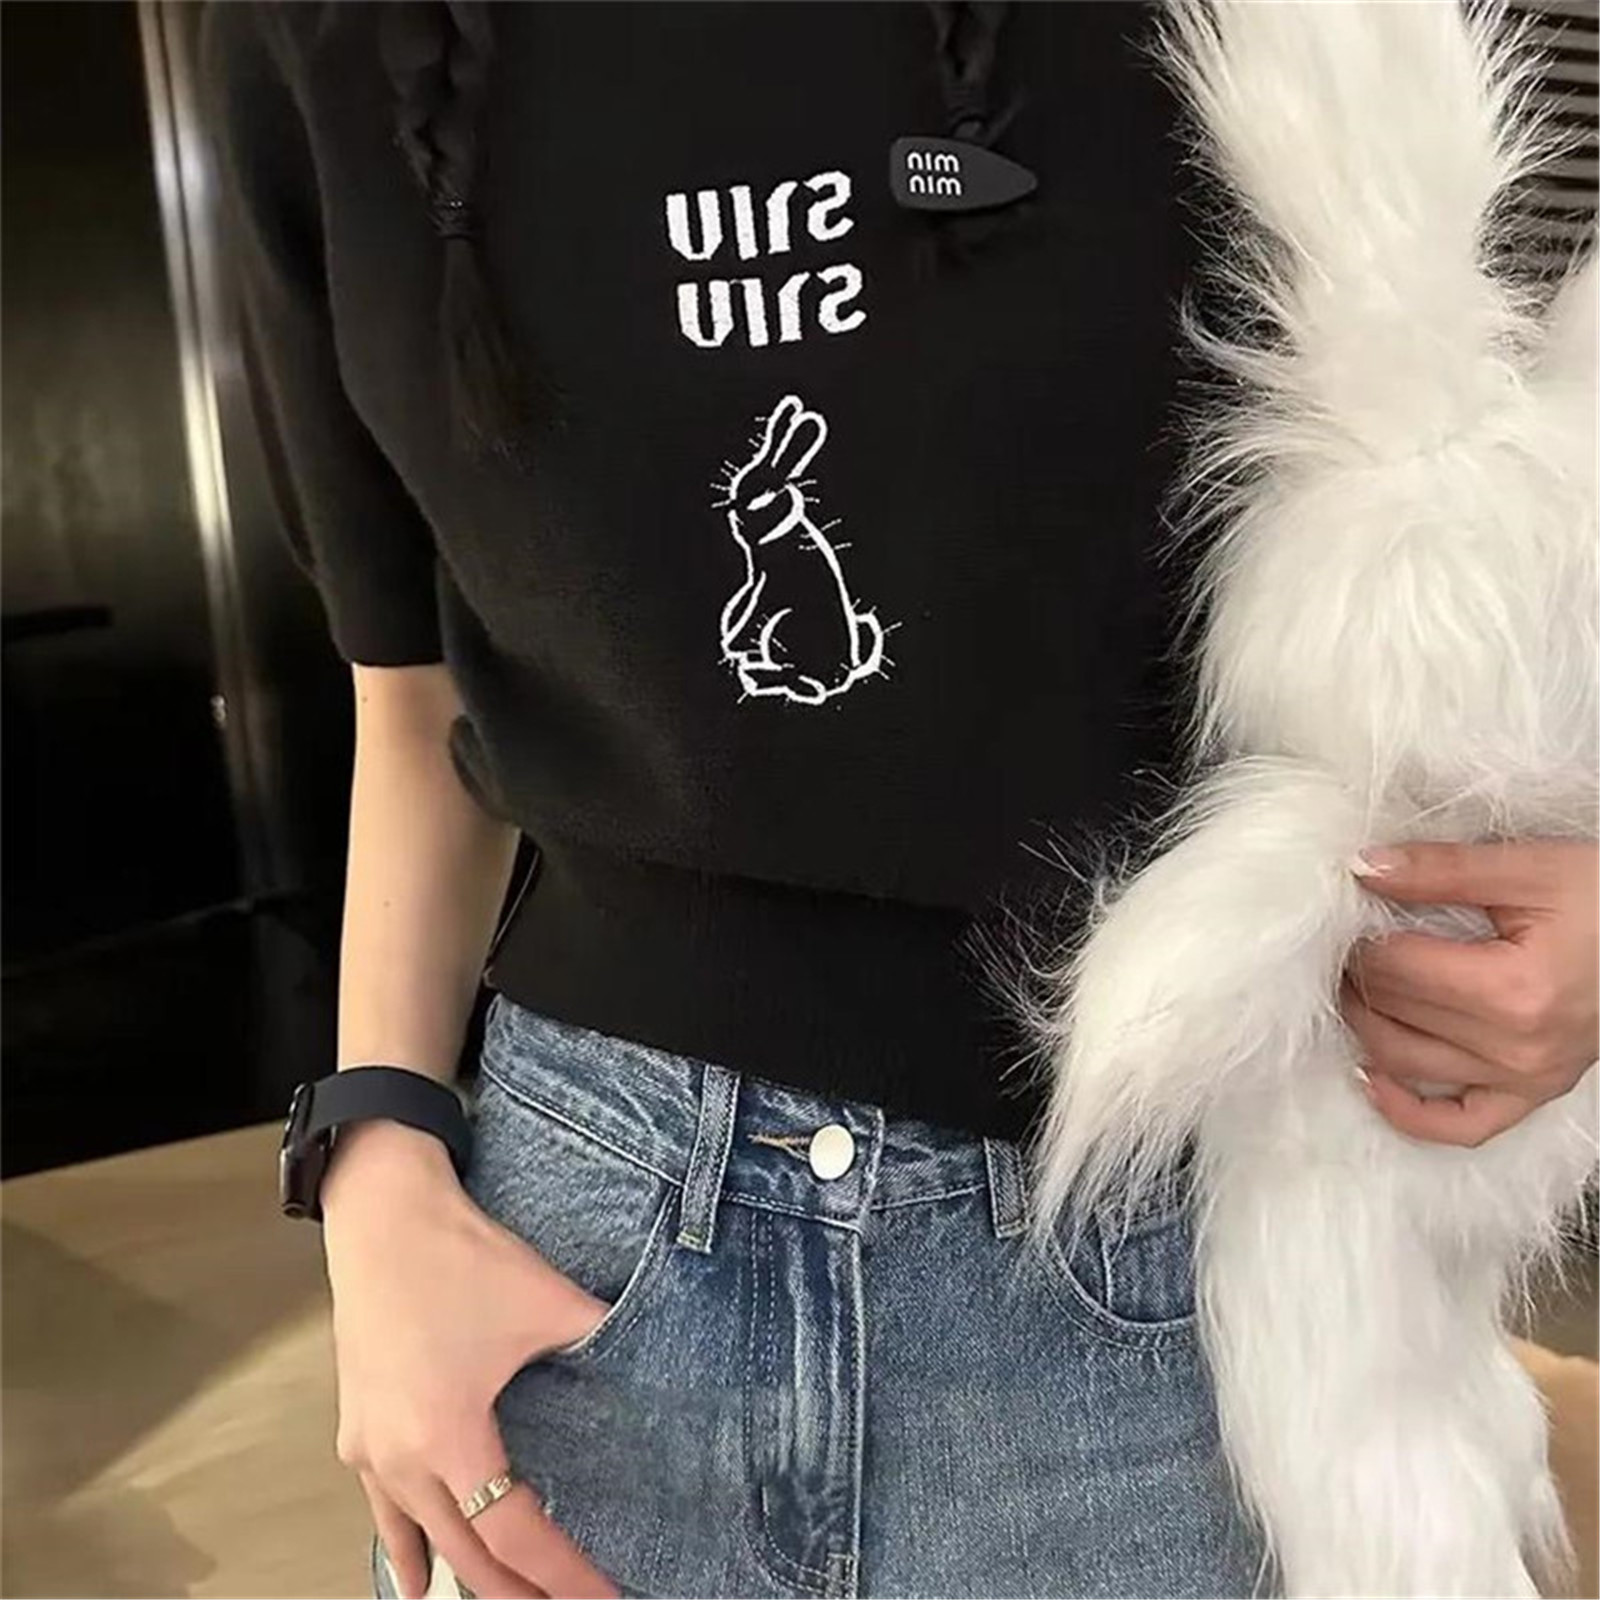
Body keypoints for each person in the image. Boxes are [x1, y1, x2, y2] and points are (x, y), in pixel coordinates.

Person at [202, 4, 1600, 1598]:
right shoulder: (332, 34)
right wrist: (375, 1165)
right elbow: (416, 702)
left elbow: (1538, 464)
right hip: (577, 1277)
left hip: (1179, 1264)